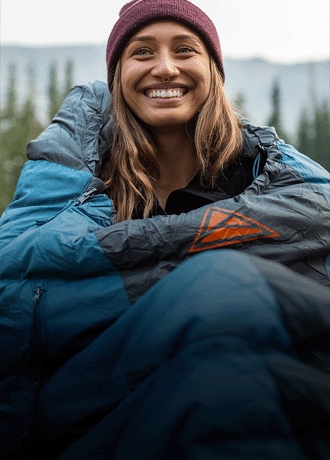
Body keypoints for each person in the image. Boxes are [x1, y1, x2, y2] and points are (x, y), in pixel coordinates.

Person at [0, 1, 330, 459]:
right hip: (84, 419)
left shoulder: (272, 188)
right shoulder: (79, 189)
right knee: (217, 286)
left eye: (185, 49)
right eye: (141, 52)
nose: (165, 68)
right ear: (118, 75)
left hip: (229, 399)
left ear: (213, 69)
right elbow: (21, 282)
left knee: (233, 376)